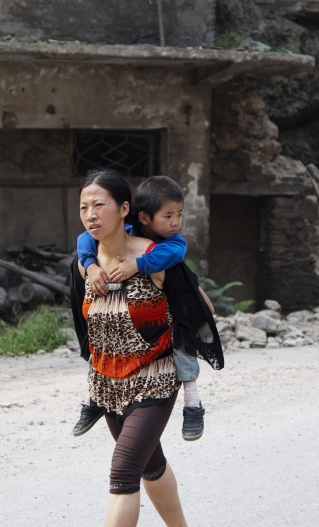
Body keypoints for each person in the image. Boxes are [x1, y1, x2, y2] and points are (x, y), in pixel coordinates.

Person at [75, 168, 188, 526]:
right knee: (150, 466)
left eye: (99, 205)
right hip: (108, 386)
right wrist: (90, 264)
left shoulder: (157, 257)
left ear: (124, 209)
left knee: (123, 474)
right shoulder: (85, 266)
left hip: (154, 379)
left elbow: (200, 309)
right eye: (83, 207)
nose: (90, 214)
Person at [72, 176, 207, 442]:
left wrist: (138, 264)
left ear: (123, 210)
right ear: (144, 217)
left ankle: (193, 402)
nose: (175, 223)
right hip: (112, 365)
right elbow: (83, 240)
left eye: (178, 215)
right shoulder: (125, 231)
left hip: (160, 352)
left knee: (181, 338)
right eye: (167, 216)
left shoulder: (171, 245)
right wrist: (91, 265)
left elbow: (178, 265)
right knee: (100, 330)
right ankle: (93, 397)